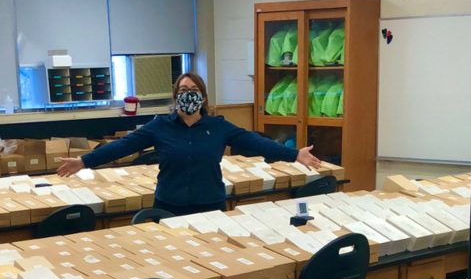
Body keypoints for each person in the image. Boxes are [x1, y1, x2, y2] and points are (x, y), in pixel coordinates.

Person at [57, 73, 322, 216]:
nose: (188, 95)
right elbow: (123, 146)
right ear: (175, 97)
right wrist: (84, 161)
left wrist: (294, 154)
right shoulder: (160, 126)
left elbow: (256, 142)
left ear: (203, 97)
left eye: (193, 90)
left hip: (210, 205)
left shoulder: (218, 127)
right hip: (169, 206)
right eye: (182, 91)